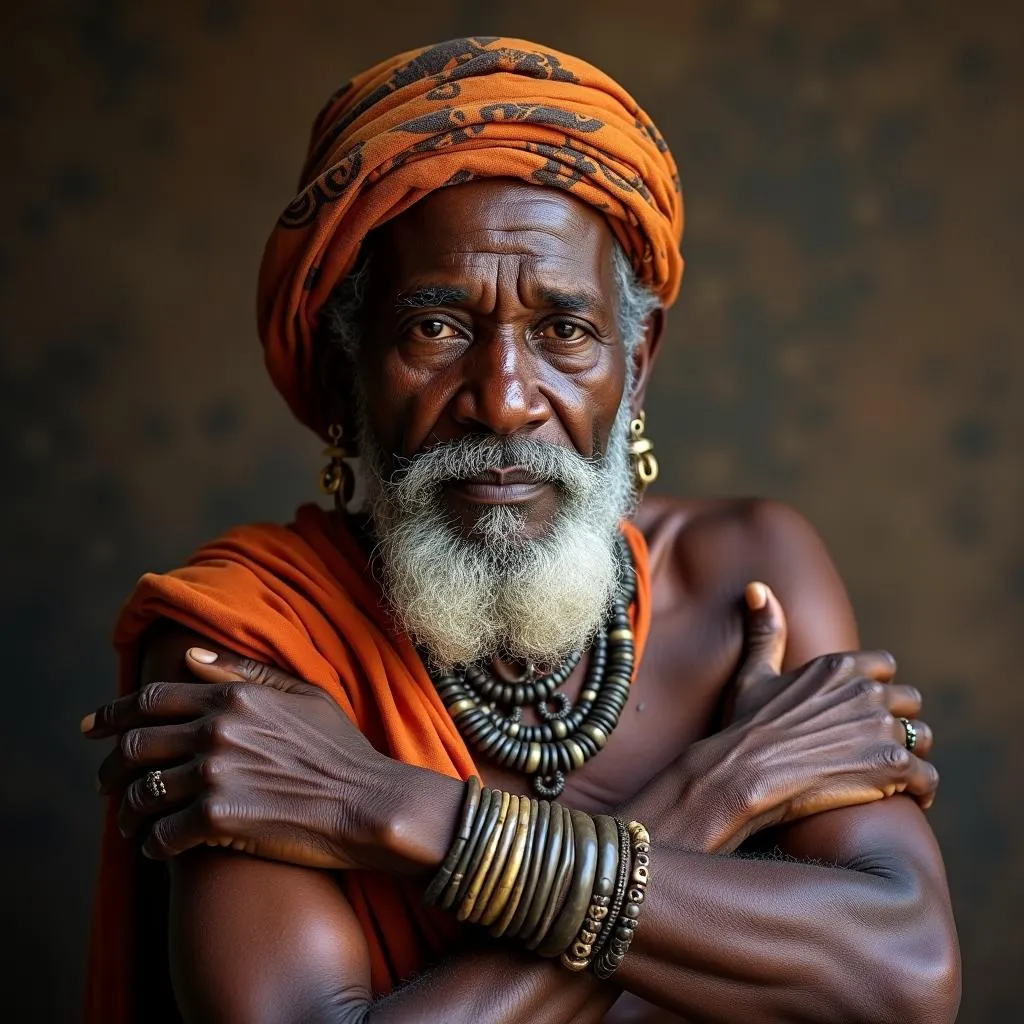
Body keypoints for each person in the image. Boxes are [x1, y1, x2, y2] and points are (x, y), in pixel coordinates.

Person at [82, 37, 960, 1023]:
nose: (503, 402)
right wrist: (720, 793)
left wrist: (389, 807)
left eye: (564, 330)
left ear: (635, 364)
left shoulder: (746, 575)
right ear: (344, 371)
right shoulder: (242, 644)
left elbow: (907, 975)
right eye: (436, 327)